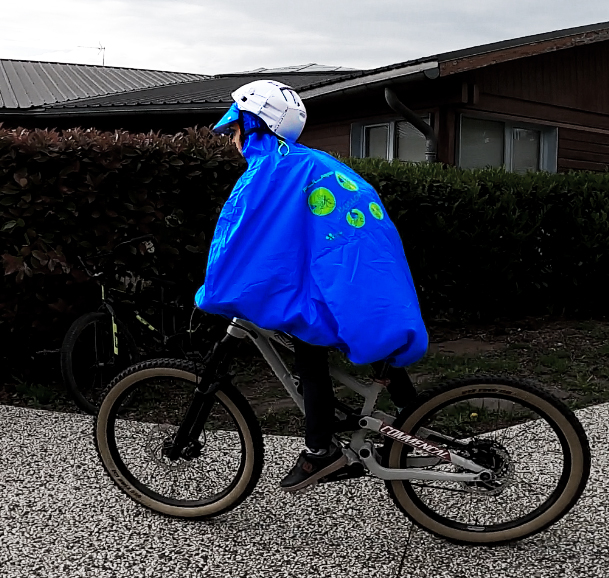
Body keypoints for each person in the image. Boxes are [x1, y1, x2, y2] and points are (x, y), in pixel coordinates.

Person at [195, 80, 428, 492]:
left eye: (234, 129)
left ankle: (322, 451)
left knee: (309, 347)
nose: (232, 137)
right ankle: (420, 422)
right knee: (375, 334)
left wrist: (217, 290)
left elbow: (241, 237)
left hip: (344, 278)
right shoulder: (315, 162)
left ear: (253, 126)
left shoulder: (273, 170)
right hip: (368, 277)